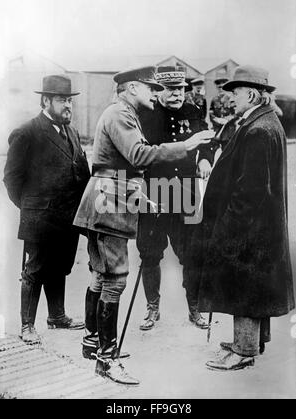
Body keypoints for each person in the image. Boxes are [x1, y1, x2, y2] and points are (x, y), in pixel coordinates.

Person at [73, 66, 214, 385]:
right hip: (114, 198)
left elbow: (123, 165)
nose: (158, 93)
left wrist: (199, 154)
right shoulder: (125, 114)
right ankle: (106, 359)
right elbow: (138, 156)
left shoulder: (129, 111)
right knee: (116, 278)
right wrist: (189, 146)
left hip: (135, 195)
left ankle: (93, 344)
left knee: (103, 275)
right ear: (133, 88)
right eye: (152, 88)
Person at [191, 65, 295, 371]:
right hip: (262, 225)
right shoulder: (265, 122)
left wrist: (228, 226)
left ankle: (244, 349)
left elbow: (250, 192)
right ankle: (251, 341)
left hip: (250, 225)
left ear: (250, 94)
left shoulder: (258, 130)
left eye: (234, 93)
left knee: (244, 283)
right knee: (254, 285)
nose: (230, 99)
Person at [3, 74, 90, 344]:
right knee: (36, 269)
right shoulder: (27, 132)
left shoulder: (72, 132)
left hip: (68, 217)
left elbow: (81, 173)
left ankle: (57, 316)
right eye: (62, 100)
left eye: (70, 101)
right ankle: (27, 325)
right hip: (40, 217)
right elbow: (11, 178)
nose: (68, 106)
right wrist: (30, 208)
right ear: (45, 100)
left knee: (61, 266)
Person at [137, 66, 217, 331]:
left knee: (192, 253)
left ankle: (195, 309)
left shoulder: (193, 112)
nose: (178, 94)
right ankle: (152, 309)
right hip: (154, 191)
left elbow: (208, 140)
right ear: (159, 90)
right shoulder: (145, 114)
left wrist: (205, 159)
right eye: (171, 89)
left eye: (181, 89)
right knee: (149, 253)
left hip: (186, 191)